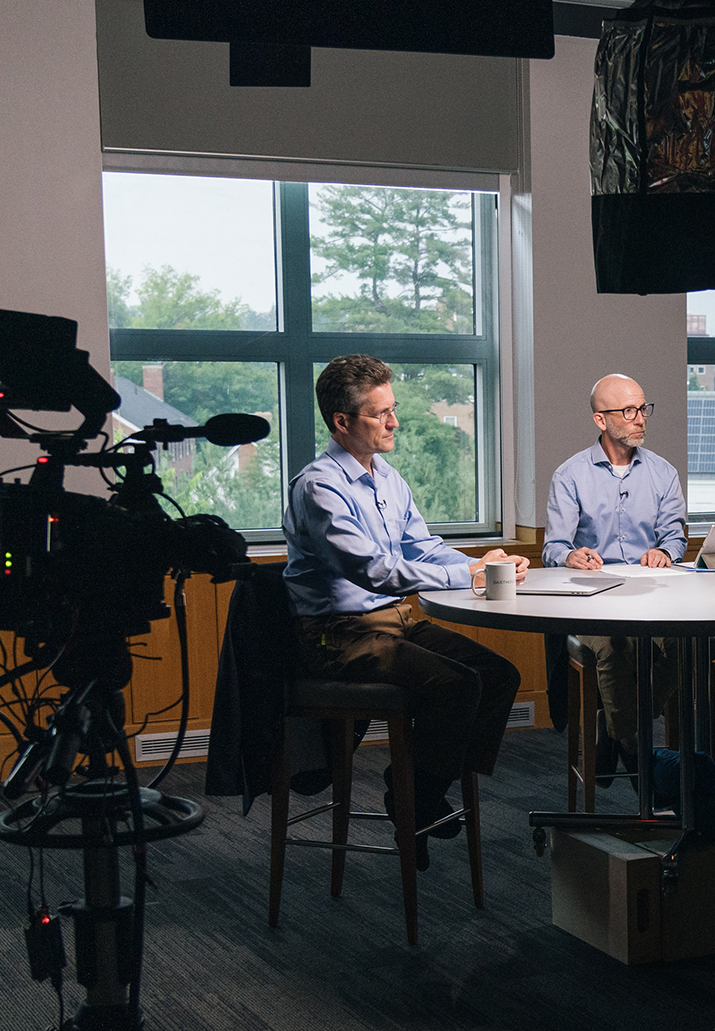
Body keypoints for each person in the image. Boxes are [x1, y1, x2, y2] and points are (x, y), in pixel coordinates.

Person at [282, 353, 527, 842]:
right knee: (456, 685)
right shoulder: (318, 488)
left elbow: (422, 547)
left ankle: (418, 788)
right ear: (342, 422)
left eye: (393, 409)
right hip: (338, 635)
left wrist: (479, 564)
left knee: (499, 674)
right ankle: (415, 797)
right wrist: (465, 575)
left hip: (394, 622)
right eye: (380, 414)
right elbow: (373, 571)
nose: (394, 422)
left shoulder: (387, 477)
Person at [542, 373, 686, 771]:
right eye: (629, 411)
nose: (640, 418)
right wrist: (571, 556)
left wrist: (664, 551)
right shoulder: (570, 475)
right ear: (601, 420)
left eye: (643, 408)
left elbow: (675, 537)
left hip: (653, 598)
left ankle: (617, 728)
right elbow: (553, 547)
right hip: (594, 603)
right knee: (616, 645)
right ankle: (635, 752)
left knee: (695, 644)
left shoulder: (663, 473)